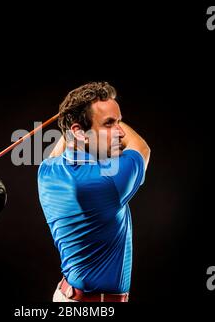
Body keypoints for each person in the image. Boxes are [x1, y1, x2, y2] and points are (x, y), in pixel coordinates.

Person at [37, 82, 150, 302]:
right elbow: (141, 148)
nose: (119, 131)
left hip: (65, 296)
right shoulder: (106, 182)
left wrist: (75, 115)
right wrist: (77, 116)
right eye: (109, 123)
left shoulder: (46, 171)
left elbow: (67, 142)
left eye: (119, 121)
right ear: (79, 132)